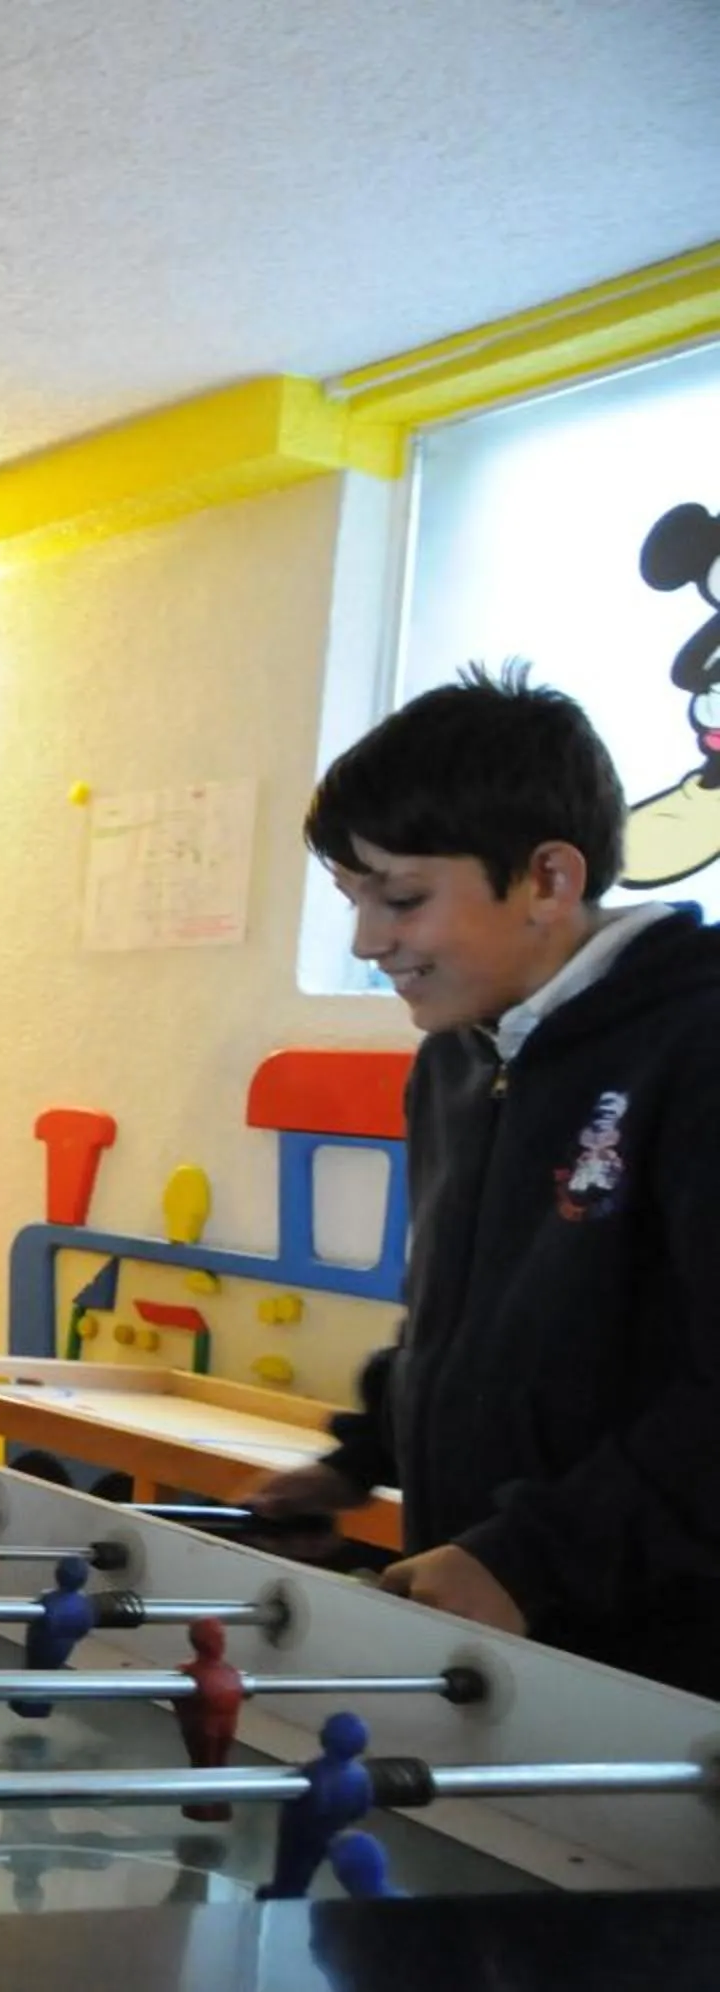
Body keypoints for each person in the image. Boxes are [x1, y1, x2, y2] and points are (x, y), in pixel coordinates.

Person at [244, 665, 720, 1700]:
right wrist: (359, 1455)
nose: (371, 943)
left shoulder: (696, 1040)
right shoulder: (458, 1056)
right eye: (353, 901)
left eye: (402, 899)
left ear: (549, 877)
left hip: (664, 1668)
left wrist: (534, 1555)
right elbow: (453, 1313)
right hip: (493, 1627)